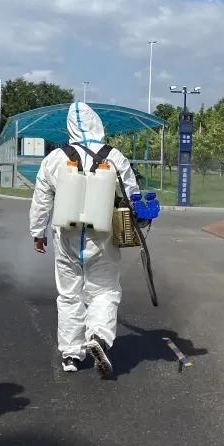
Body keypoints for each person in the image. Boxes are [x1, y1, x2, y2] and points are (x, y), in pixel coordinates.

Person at [29, 102, 141, 378]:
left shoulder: (55, 158)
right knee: (103, 290)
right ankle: (98, 337)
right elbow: (132, 195)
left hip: (66, 236)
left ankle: (70, 354)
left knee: (69, 295)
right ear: (97, 124)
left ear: (70, 128)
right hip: (103, 237)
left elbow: (42, 199)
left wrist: (37, 232)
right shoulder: (114, 156)